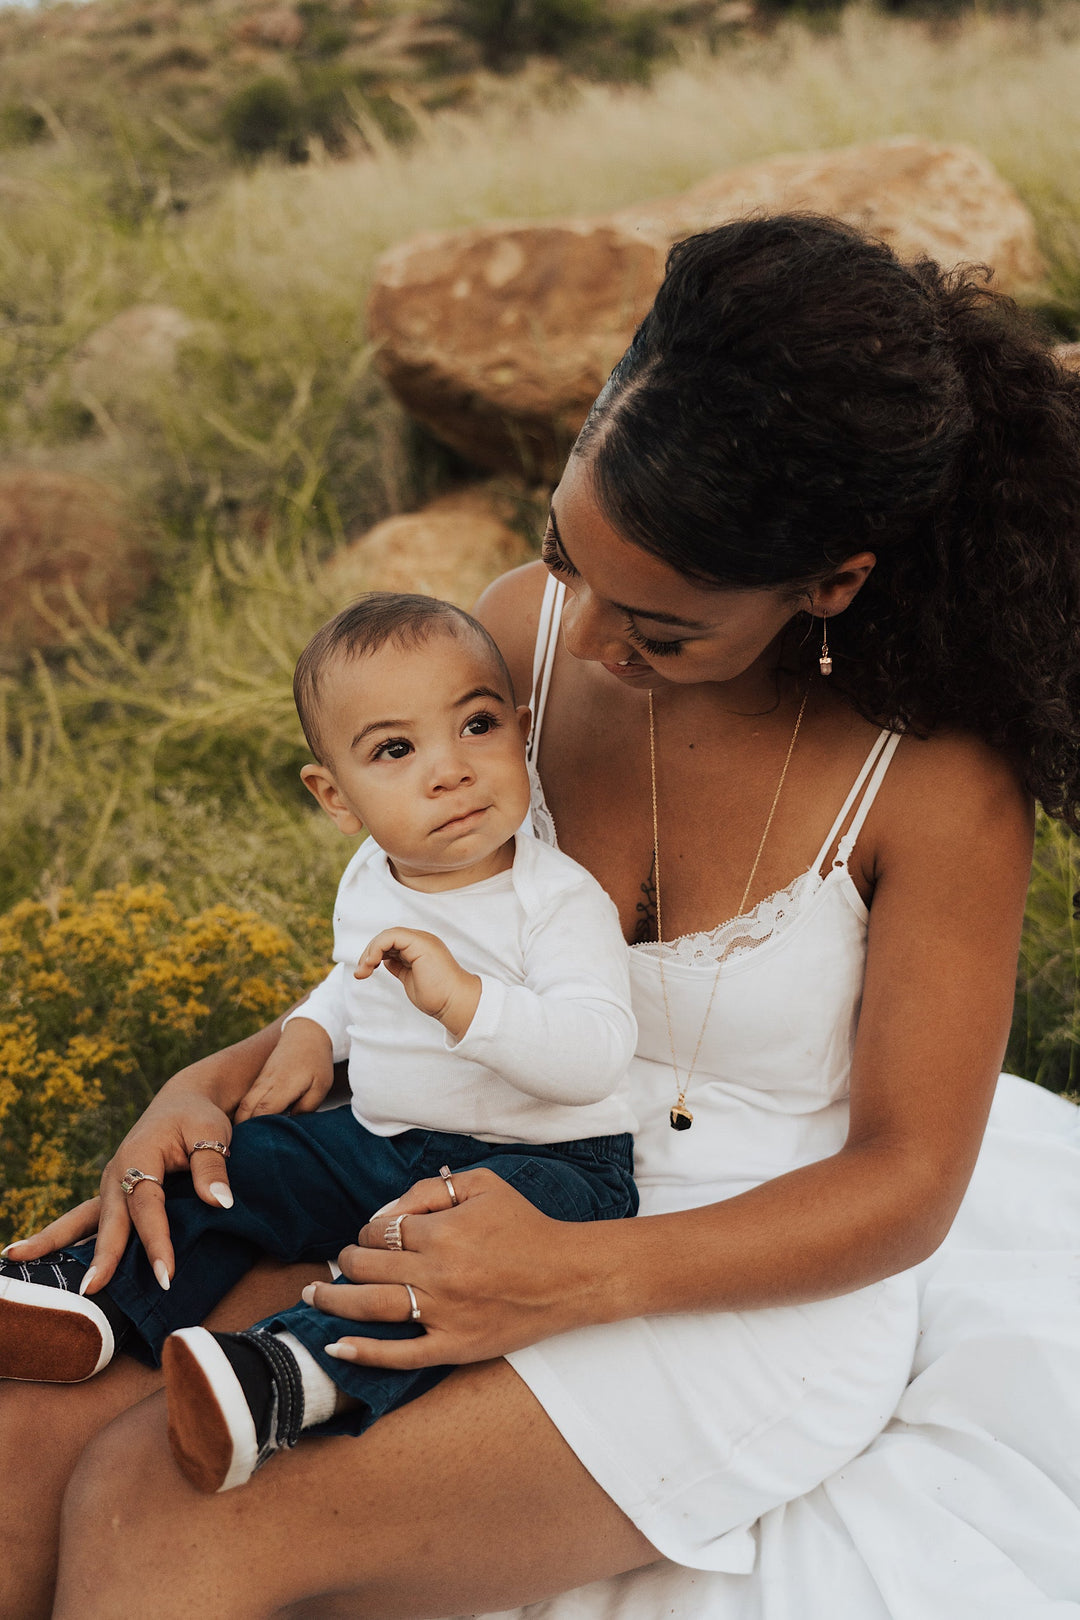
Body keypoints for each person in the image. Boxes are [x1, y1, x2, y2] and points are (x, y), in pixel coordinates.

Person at [1, 212, 1079, 1620]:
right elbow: (435, 926)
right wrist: (214, 1079)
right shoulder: (523, 634)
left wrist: (568, 1278)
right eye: (569, 557)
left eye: (667, 627)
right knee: (19, 1453)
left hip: (734, 1270)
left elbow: (905, 1188)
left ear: (830, 584)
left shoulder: (936, 785)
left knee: (170, 1514)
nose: (598, 641)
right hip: (464, 1145)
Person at [0, 593, 637, 1496]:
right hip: (383, 1139)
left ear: (521, 737)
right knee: (247, 1161)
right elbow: (355, 973)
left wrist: (464, 1001)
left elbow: (595, 1056)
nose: (449, 771)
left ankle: (287, 1380)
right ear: (335, 797)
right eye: (395, 750)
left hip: (547, 1165)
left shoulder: (555, 902)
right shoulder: (373, 875)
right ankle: (96, 1302)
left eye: (477, 726)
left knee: (426, 1263)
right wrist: (312, 1029)